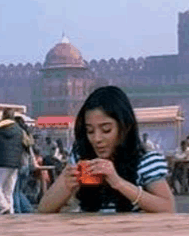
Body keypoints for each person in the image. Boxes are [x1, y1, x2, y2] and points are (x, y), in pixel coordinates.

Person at [38, 86, 175, 214]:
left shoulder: (145, 161)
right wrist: (66, 186)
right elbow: (43, 209)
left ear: (124, 127)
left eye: (106, 130)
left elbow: (168, 208)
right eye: (90, 131)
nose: (97, 139)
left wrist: (119, 183)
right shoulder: (81, 157)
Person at [12, 116, 38, 213]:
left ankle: (18, 210)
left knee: (15, 191)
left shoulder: (18, 134)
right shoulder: (27, 134)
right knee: (19, 191)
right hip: (26, 165)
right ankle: (27, 209)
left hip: (19, 164)